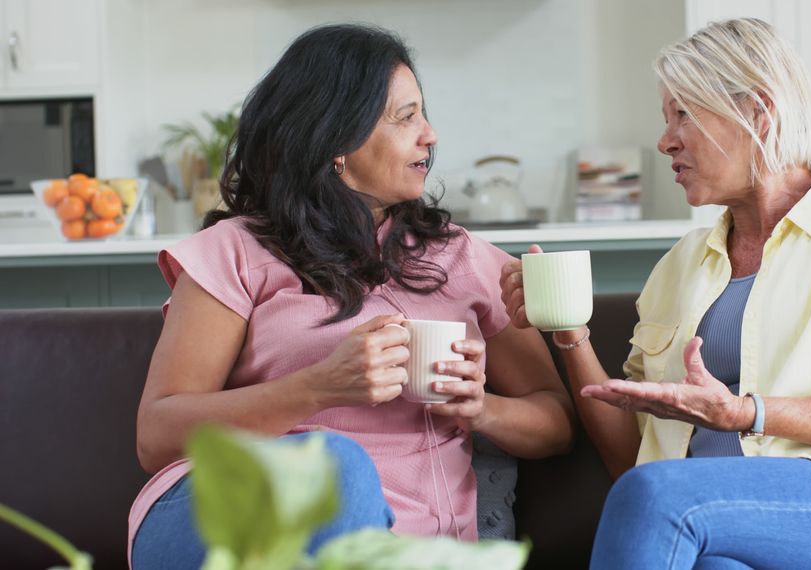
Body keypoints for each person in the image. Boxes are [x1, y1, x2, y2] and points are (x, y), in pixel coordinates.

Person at [501, 18, 811, 570]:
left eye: (683, 113)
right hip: (707, 522)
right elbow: (633, 462)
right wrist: (569, 334)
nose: (665, 141)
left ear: (757, 110)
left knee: (663, 497)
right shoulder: (681, 264)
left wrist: (743, 413)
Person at [128, 24, 574, 568]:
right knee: (336, 465)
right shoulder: (234, 251)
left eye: (423, 114)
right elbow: (157, 436)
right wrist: (318, 387)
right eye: (405, 117)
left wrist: (481, 410)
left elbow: (555, 423)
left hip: (404, 549)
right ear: (336, 139)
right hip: (227, 517)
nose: (430, 134)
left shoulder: (465, 259)